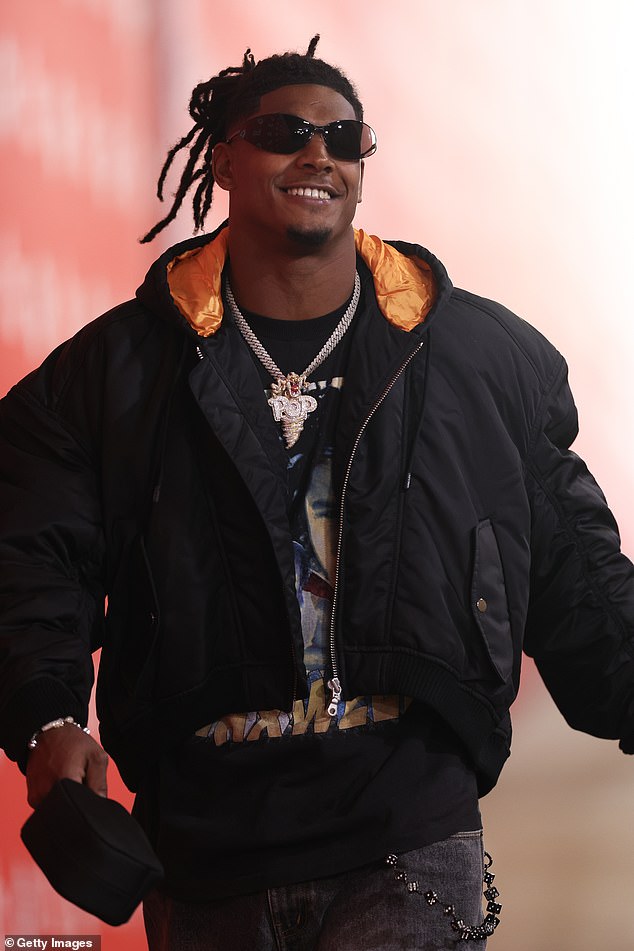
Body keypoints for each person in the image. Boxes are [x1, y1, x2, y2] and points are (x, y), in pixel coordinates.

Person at [1, 35, 633, 951]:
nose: (318, 155)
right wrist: (44, 720)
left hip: (408, 839)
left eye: (344, 139)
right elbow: (30, 560)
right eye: (284, 131)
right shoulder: (105, 377)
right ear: (221, 154)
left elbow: (575, 568)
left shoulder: (482, 360)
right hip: (206, 854)